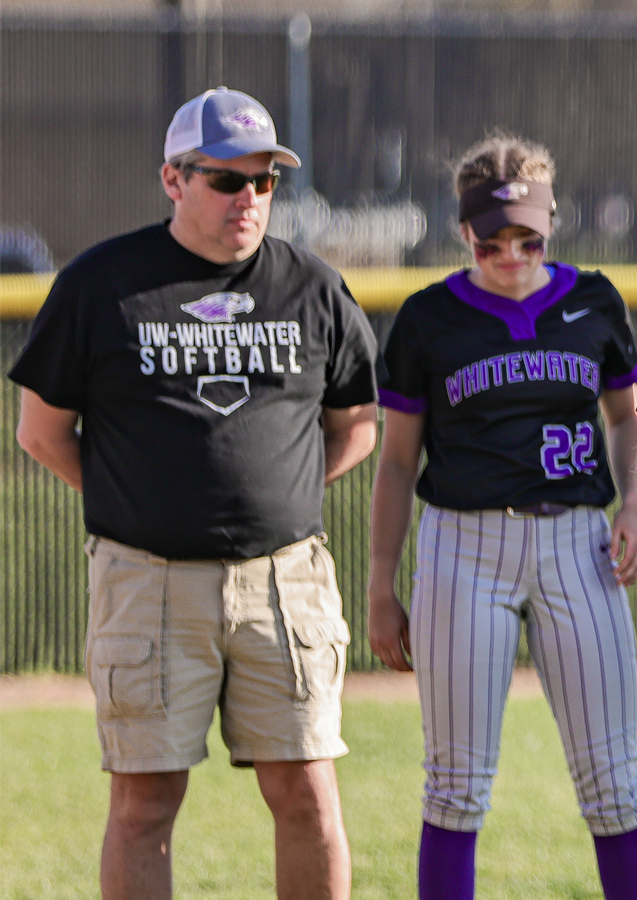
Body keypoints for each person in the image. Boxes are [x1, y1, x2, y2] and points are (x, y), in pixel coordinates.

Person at [9, 87, 375, 899]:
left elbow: (356, 423)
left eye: (265, 182)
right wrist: (128, 496)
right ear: (173, 180)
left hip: (285, 583)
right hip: (148, 577)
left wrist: (280, 492)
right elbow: (40, 431)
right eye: (226, 180)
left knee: (307, 793)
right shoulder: (103, 283)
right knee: (144, 802)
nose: (249, 199)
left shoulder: (311, 286)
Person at [362, 135, 637, 900]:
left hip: (578, 543)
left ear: (551, 223)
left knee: (614, 784)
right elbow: (397, 461)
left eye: (527, 238)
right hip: (465, 546)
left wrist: (635, 504)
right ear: (464, 231)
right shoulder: (429, 318)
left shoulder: (593, 298)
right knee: (455, 787)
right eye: (491, 240)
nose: (510, 254)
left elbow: (627, 420)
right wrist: (379, 583)